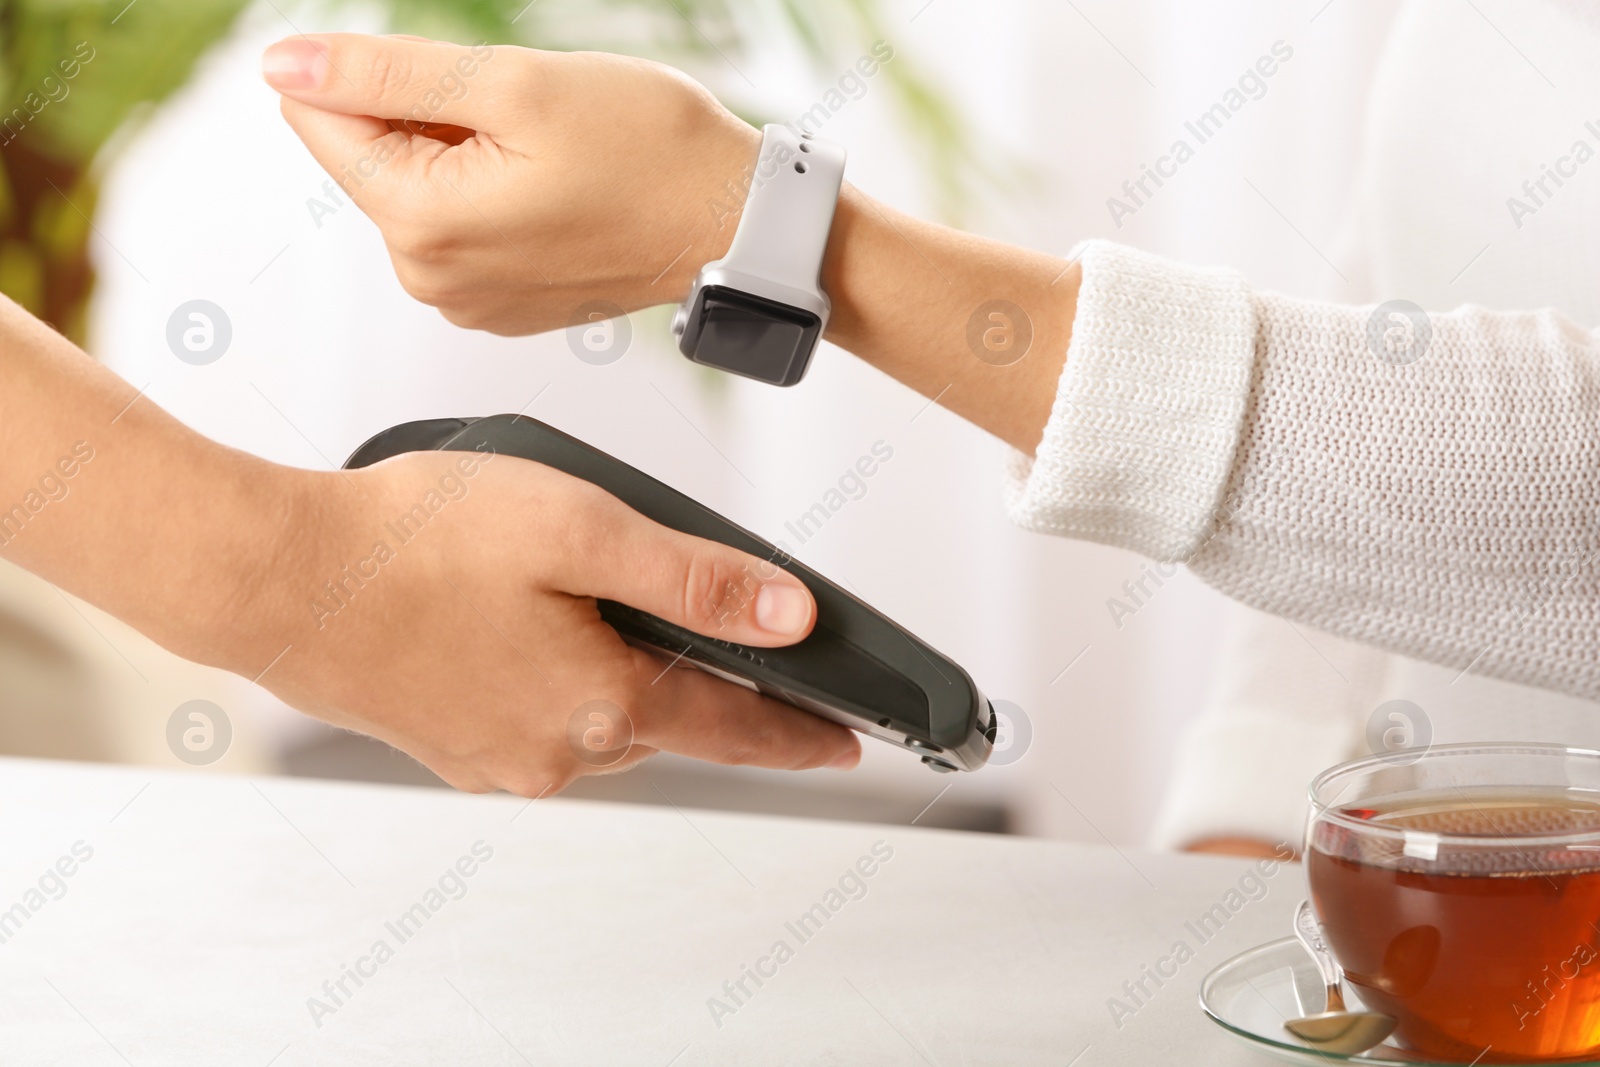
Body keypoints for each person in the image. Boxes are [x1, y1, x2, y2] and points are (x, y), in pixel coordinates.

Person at [1148, 0, 1600, 858]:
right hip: (1449, 907)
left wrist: (852, 258)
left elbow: (1566, 460)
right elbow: (1384, 335)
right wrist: (1250, 813)